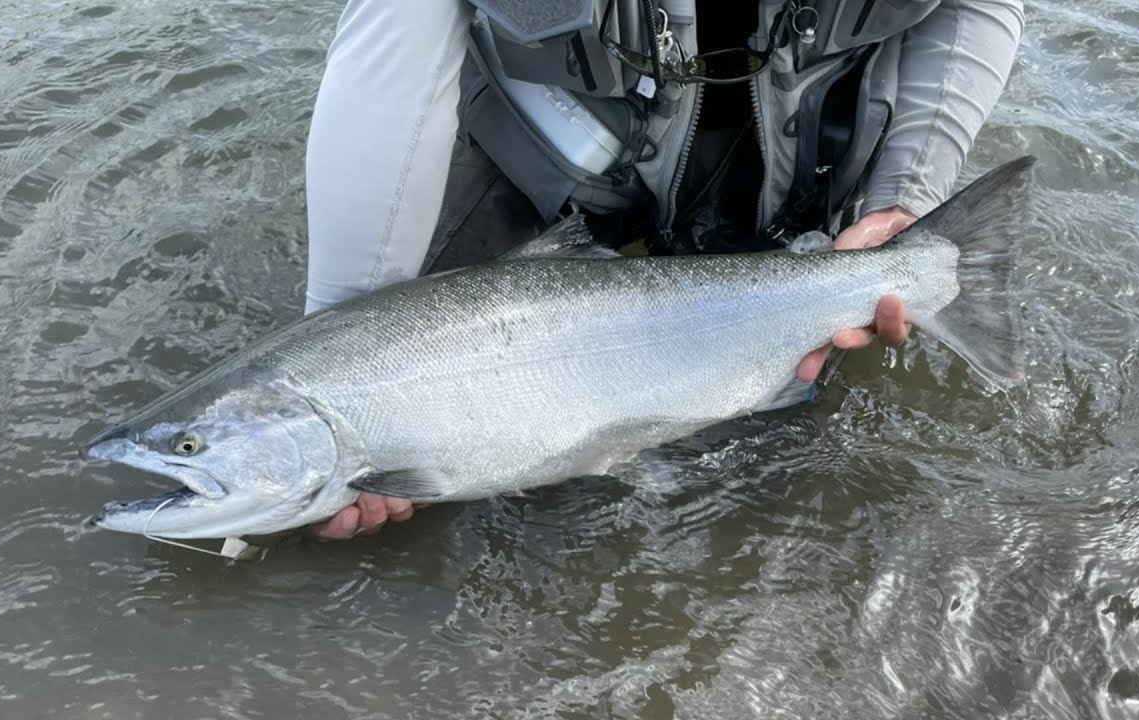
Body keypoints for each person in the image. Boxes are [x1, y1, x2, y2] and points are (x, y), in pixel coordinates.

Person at [302, 0, 1026, 539]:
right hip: (554, 157)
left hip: (798, 161)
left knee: (785, 471)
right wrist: (343, 341)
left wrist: (905, 194)